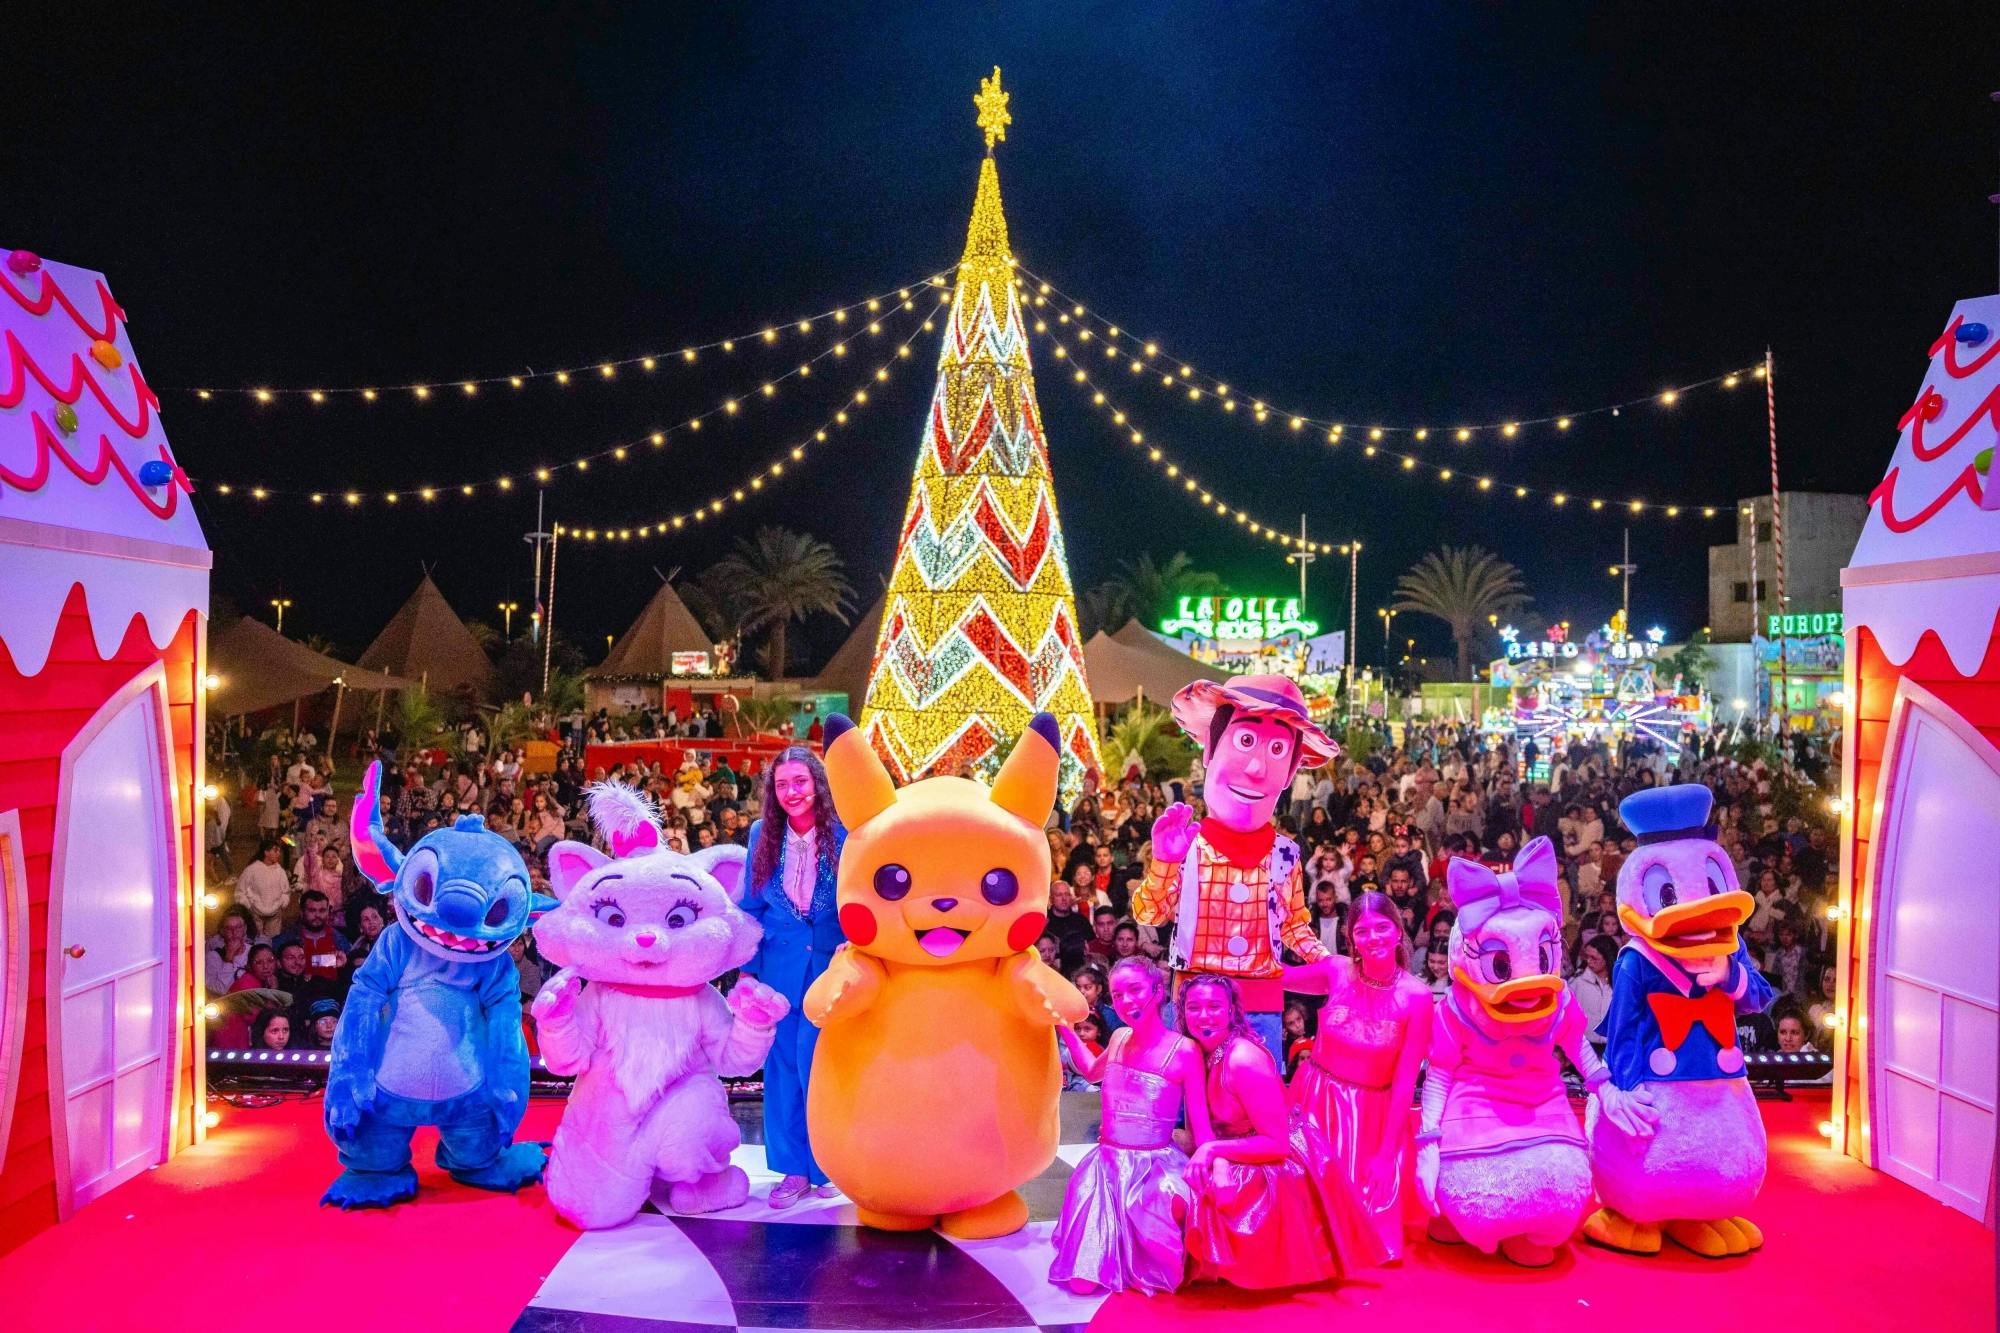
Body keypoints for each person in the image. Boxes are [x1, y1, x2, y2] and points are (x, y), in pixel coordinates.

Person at [1132, 675, 1338, 1064]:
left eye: (1277, 749)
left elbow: (1294, 926)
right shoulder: (1187, 844)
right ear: (1212, 747)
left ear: (1291, 771)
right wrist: (1164, 862)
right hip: (1194, 1003)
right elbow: (1149, 913)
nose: (1258, 766)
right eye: (1245, 740)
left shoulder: (1285, 853)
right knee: (1189, 1106)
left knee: (1252, 1105)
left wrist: (1330, 965)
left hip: (1261, 1005)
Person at [1179, 975, 1378, 1289]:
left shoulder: (1243, 1060)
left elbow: (1276, 1144)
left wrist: (1214, 1152)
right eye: (1195, 1007)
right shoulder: (1196, 1052)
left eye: (1214, 1006)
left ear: (1231, 1011)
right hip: (1236, 1147)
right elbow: (1201, 1128)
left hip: (1279, 1159)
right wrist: (1212, 1156)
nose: (1204, 1016)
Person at [1283, 890, 1435, 1262]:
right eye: (1363, 931)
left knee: (1360, 1236)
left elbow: (1404, 1082)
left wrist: (1387, 1154)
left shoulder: (1417, 997)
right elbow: (1276, 978)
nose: (1373, 938)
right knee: (1299, 1220)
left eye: (1382, 928)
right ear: (1351, 938)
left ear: (1399, 932)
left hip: (1369, 1116)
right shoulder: (1336, 971)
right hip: (1314, 1101)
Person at [1050, 957, 1210, 1295]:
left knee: (1159, 1268)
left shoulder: (1185, 1051)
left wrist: (1204, 1165)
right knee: (1080, 1282)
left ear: (1157, 991)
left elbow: (1201, 1132)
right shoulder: (1120, 1036)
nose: (1127, 1001)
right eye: (1117, 994)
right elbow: (1092, 1071)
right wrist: (1063, 1026)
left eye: (1135, 990)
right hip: (1106, 1169)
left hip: (1154, 1172)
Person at [740, 745, 847, 1208]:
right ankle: (792, 1171)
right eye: (782, 784)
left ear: (817, 784)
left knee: (821, 1067)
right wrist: (747, 973)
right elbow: (752, 906)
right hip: (778, 970)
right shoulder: (762, 834)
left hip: (831, 968)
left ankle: (828, 1166)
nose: (791, 792)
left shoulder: (844, 835)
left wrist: (856, 944)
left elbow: (860, 900)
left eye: (800, 782)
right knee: (783, 1069)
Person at [275, 890, 349, 985]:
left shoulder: (339, 939)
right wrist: (330, 960)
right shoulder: (286, 939)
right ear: (302, 912)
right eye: (312, 910)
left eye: (322, 910)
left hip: (333, 995)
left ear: (328, 912)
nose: (317, 915)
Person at [235, 839, 292, 940]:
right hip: (256, 916)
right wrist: (249, 906)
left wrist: (282, 902)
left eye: (279, 851)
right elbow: (240, 892)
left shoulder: (280, 871)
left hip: (275, 916)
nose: (278, 853)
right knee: (256, 940)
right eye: (275, 850)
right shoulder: (251, 870)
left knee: (274, 941)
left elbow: (286, 891)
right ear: (266, 852)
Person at [1570, 935, 1618, 1050]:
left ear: (1607, 958)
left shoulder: (1620, 983)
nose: (1589, 961)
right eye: (1587, 957)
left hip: (1613, 1047)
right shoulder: (1577, 982)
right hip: (1585, 1048)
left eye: (1594, 958)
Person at [207, 906, 257, 995]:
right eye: (228, 928)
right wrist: (229, 959)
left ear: (244, 929)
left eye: (238, 927)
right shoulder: (213, 957)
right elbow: (219, 991)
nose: (234, 932)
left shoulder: (254, 951)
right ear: (222, 931)